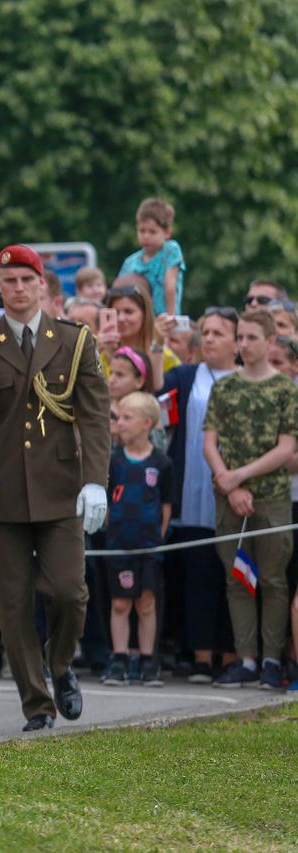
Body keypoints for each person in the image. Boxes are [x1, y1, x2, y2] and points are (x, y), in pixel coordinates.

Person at [0, 244, 109, 731]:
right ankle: (36, 704)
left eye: (27, 280)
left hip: (60, 486)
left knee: (70, 591)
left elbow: (93, 418)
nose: (19, 289)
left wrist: (94, 483)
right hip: (0, 490)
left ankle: (62, 664)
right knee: (12, 605)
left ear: (45, 287)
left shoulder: (73, 340)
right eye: (10, 281)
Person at [203, 309, 298, 689]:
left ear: (271, 341)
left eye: (251, 338)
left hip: (272, 496)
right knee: (237, 578)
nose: (243, 345)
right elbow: (210, 442)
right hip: (229, 497)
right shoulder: (224, 387)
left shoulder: (285, 389)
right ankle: (245, 660)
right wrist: (230, 485)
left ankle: (272, 660)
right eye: (239, 337)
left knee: (273, 579)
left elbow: (287, 447)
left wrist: (241, 476)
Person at [158, 308, 239, 683]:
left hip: (236, 495)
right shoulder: (188, 376)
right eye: (204, 332)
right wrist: (158, 344)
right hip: (191, 495)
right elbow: (156, 394)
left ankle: (233, 654)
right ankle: (202, 655)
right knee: (198, 576)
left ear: (237, 342)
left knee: (235, 579)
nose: (208, 339)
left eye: (218, 333)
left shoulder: (246, 382)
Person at [101, 392, 173, 687]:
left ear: (147, 424)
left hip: (148, 545)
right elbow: (106, 501)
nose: (120, 424)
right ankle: (119, 658)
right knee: (120, 602)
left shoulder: (161, 463)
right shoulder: (113, 461)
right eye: (118, 418)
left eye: (127, 418)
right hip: (119, 543)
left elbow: (166, 507)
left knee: (146, 603)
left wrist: (158, 537)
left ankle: (147, 661)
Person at [99, 275, 178, 391]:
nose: (121, 318)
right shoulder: (99, 348)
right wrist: (95, 351)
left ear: (145, 315)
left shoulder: (161, 353)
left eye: (128, 312)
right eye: (116, 312)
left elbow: (157, 386)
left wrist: (158, 344)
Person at [117, 197, 184, 316]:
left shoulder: (170, 251)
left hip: (165, 318)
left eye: (152, 232)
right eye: (142, 231)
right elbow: (119, 293)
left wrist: (171, 317)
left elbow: (170, 285)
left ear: (167, 232)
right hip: (140, 324)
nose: (146, 236)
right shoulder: (130, 263)